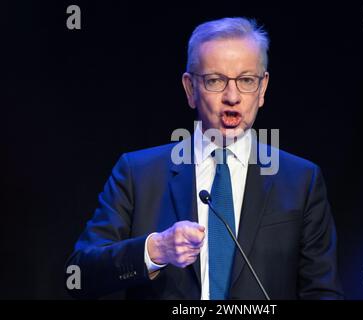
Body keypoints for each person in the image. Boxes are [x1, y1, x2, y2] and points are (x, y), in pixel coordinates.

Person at [65, 17, 343, 300]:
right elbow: (79, 275)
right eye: (215, 81)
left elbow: (322, 292)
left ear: (262, 89)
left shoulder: (301, 180)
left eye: (246, 80)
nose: (232, 97)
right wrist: (156, 249)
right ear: (190, 89)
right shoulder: (138, 174)